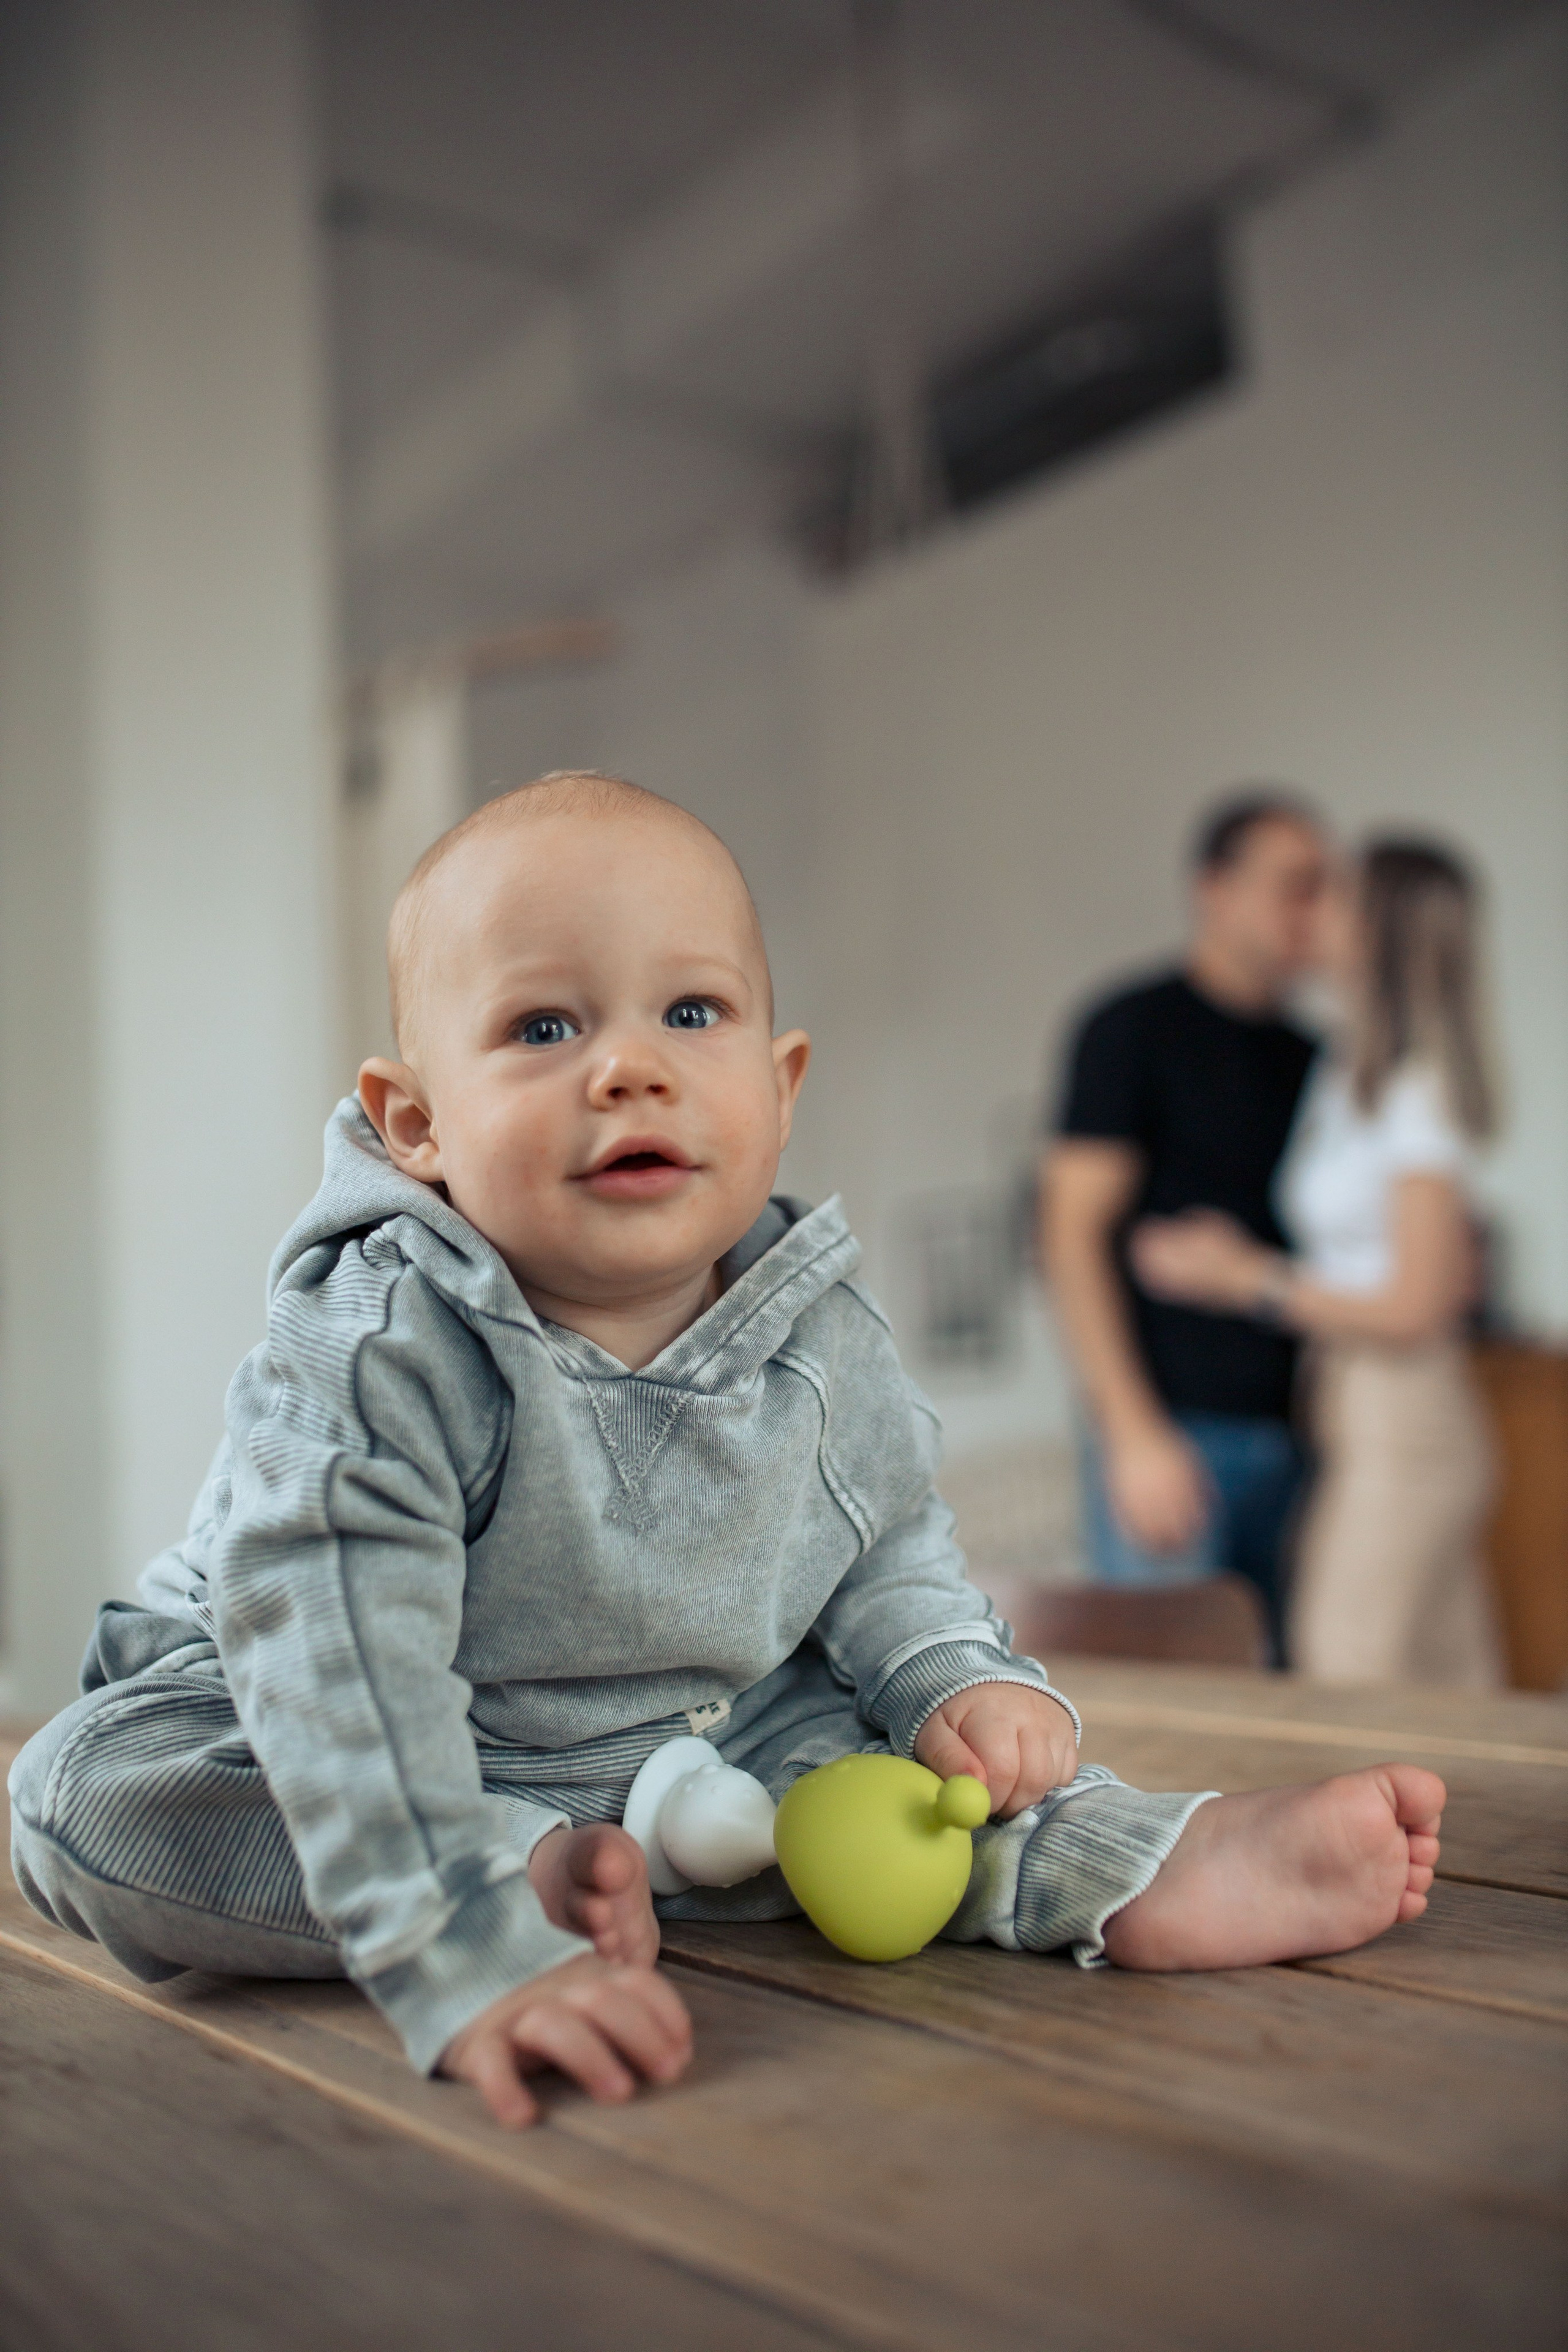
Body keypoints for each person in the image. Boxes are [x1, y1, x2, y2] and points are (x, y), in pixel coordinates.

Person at [10, 773, 1443, 2133]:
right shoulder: (383, 1336)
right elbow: (336, 1661)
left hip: (709, 1739)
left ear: (779, 1083)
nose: (629, 1067)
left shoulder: (820, 1333)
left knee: (904, 1780)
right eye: (543, 1028)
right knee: (79, 1801)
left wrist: (951, 1673)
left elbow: (884, 1550)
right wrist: (462, 1941)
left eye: (689, 1012)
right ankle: (530, 1872)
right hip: (342, 1724)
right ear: (416, 1124)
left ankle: (1130, 1863)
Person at [1131, 837, 1503, 1687]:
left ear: (1376, 928)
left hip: (1407, 1414)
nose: (1314, 911)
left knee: (1344, 1661)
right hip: (1353, 1402)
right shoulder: (1350, 1070)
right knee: (1448, 1681)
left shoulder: (1417, 1090)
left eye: (1332, 895)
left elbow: (1417, 1305)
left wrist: (1242, 1277)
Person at [1043, 792, 1329, 1652]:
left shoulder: (1317, 1057)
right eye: (1294, 885)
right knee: (1179, 1698)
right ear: (1215, 887)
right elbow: (1068, 1234)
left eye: (1323, 889)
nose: (1311, 913)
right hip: (1173, 1435)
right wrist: (1132, 1433)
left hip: (1303, 1439)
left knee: (1289, 1712)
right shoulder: (1131, 1029)